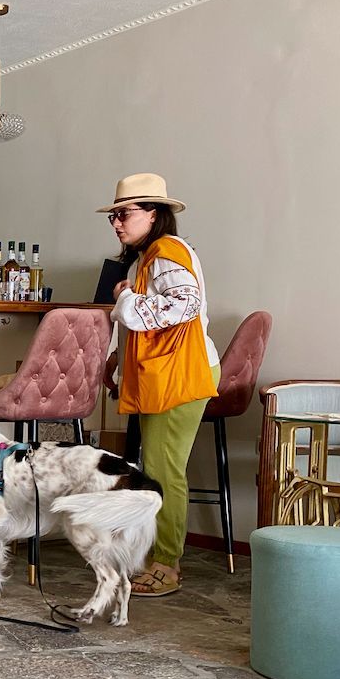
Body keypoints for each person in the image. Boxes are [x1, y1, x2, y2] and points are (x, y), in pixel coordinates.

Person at [100, 173, 219, 597]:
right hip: (171, 371)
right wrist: (118, 357)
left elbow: (185, 304)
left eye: (124, 213)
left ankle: (167, 565)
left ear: (154, 213)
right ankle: (159, 557)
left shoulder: (165, 252)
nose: (117, 222)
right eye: (113, 216)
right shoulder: (150, 256)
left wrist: (126, 300)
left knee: (163, 471)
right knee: (156, 468)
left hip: (179, 373)